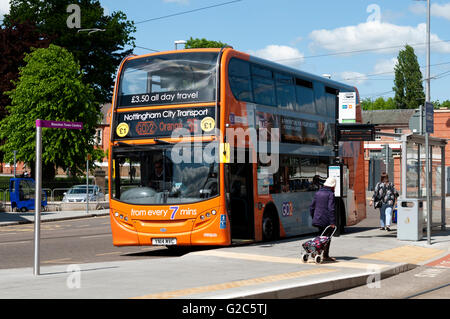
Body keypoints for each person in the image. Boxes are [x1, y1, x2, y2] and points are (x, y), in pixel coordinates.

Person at [309, 176, 336, 262]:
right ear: (332, 186)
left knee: (320, 236)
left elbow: (312, 207)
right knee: (327, 238)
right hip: (326, 220)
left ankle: (315, 251)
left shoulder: (318, 193)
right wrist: (332, 222)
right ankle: (325, 255)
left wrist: (313, 217)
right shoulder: (330, 194)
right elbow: (331, 208)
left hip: (317, 219)